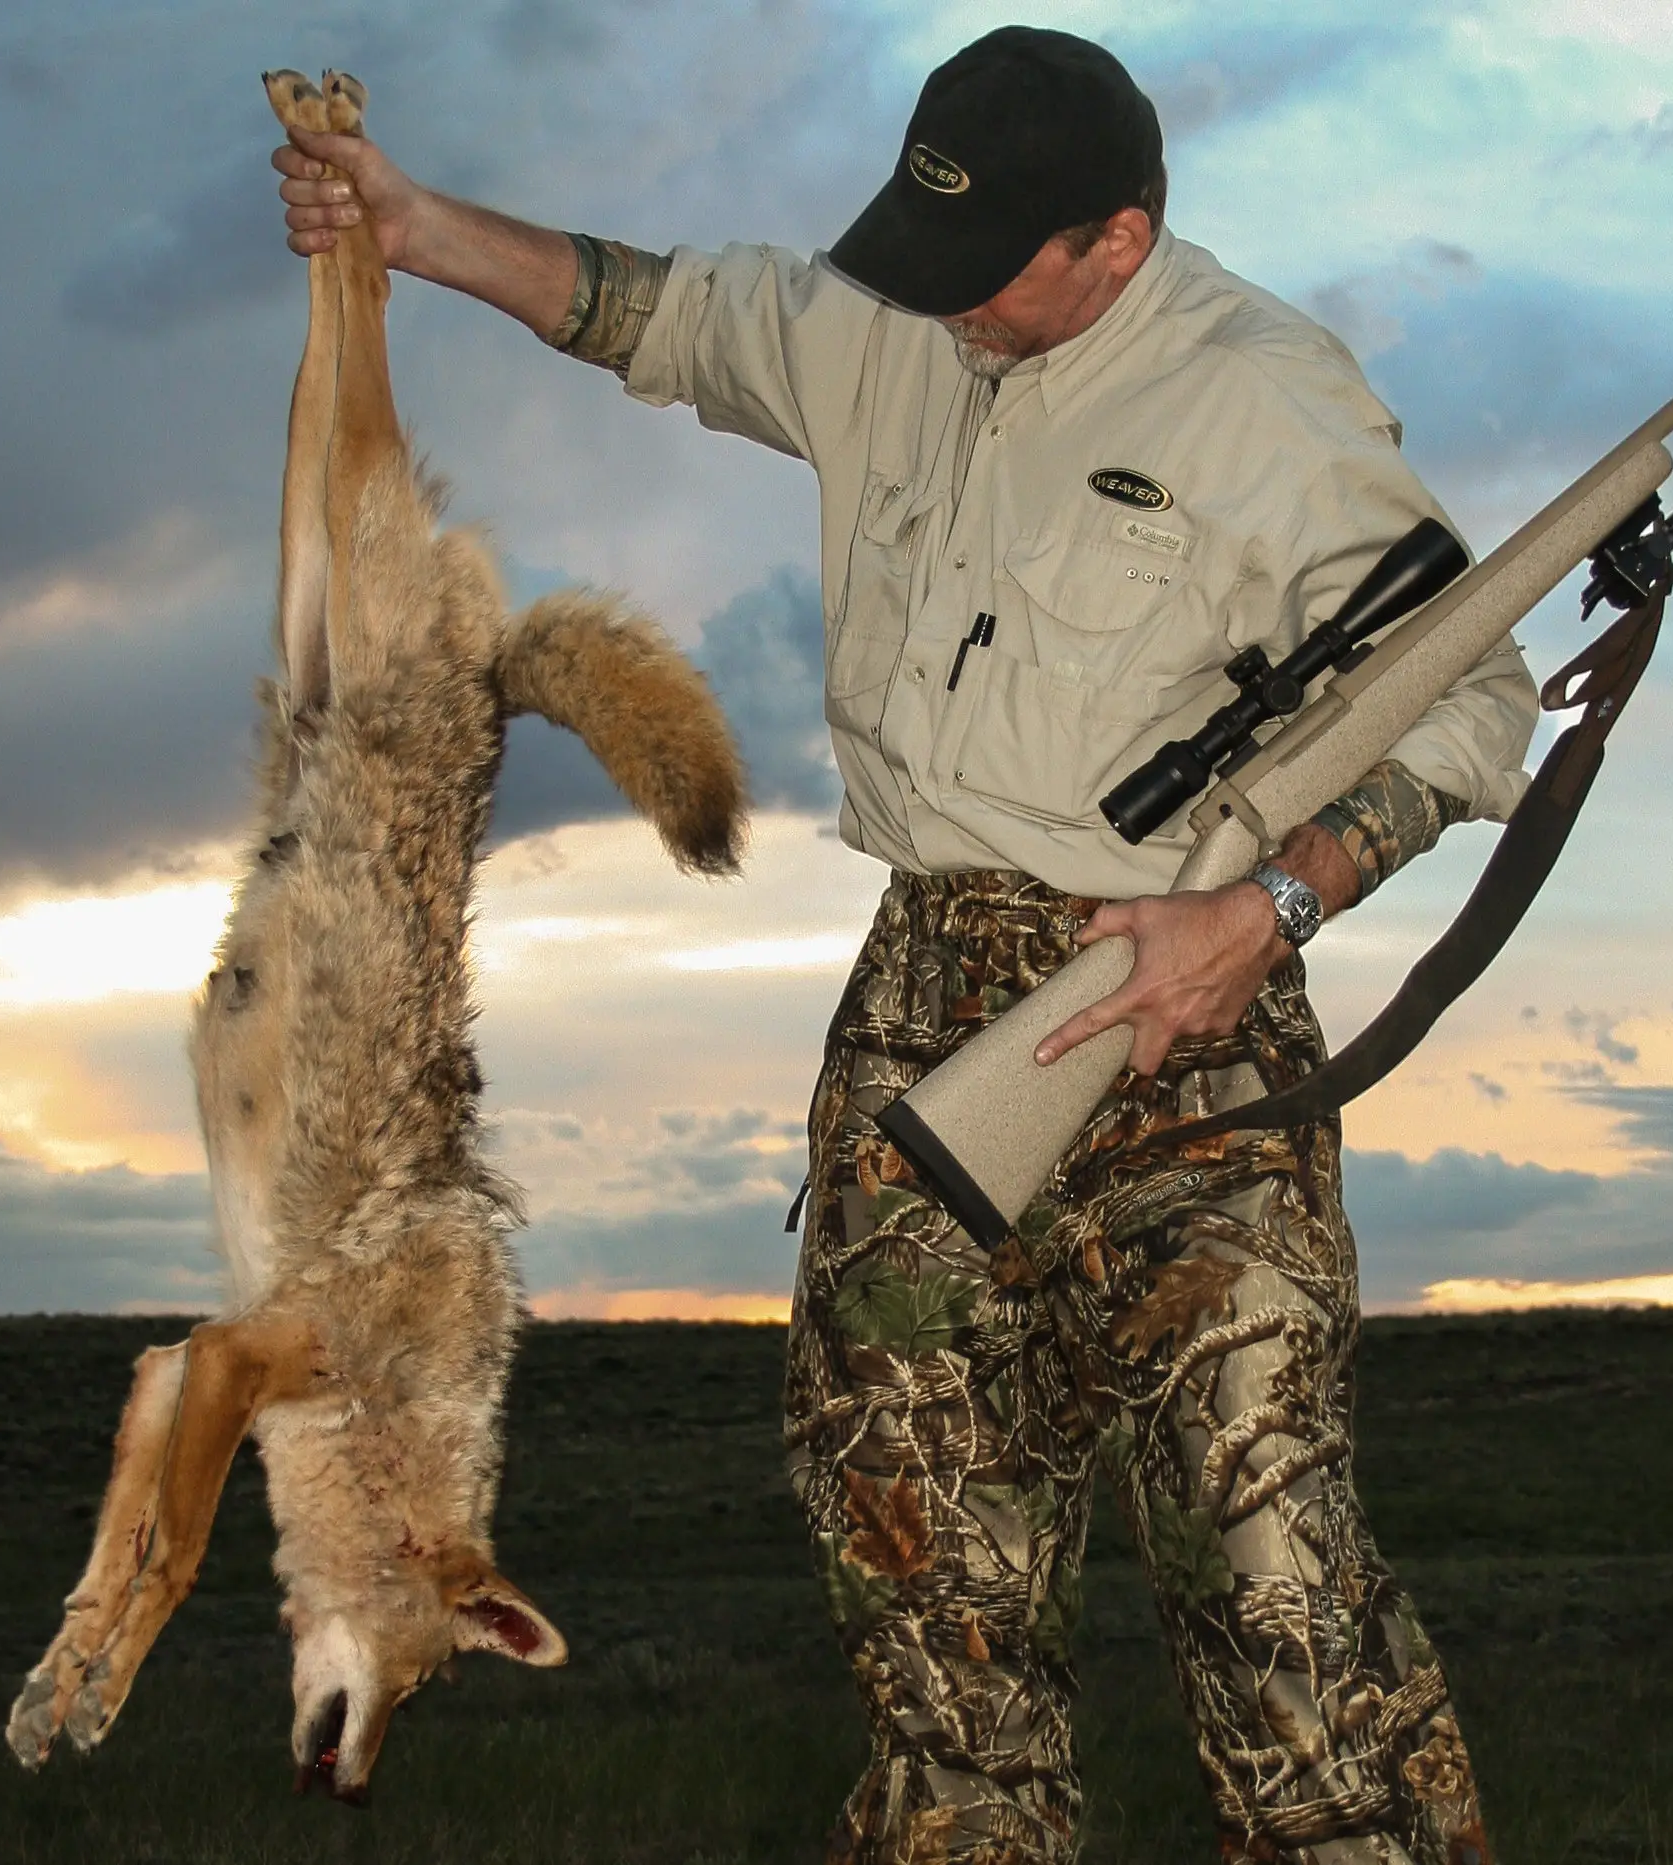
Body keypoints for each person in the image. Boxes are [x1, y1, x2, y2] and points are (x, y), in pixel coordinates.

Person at [276, 26, 1524, 1865]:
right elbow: (660, 313)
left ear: (1119, 239)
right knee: (926, 1610)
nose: (943, 309)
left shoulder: (1269, 401)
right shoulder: (896, 309)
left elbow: (1471, 694)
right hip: (923, 1028)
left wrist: (1266, 912)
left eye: (993, 270)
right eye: (924, 251)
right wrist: (411, 225)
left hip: (1185, 1021)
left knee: (1280, 1607)